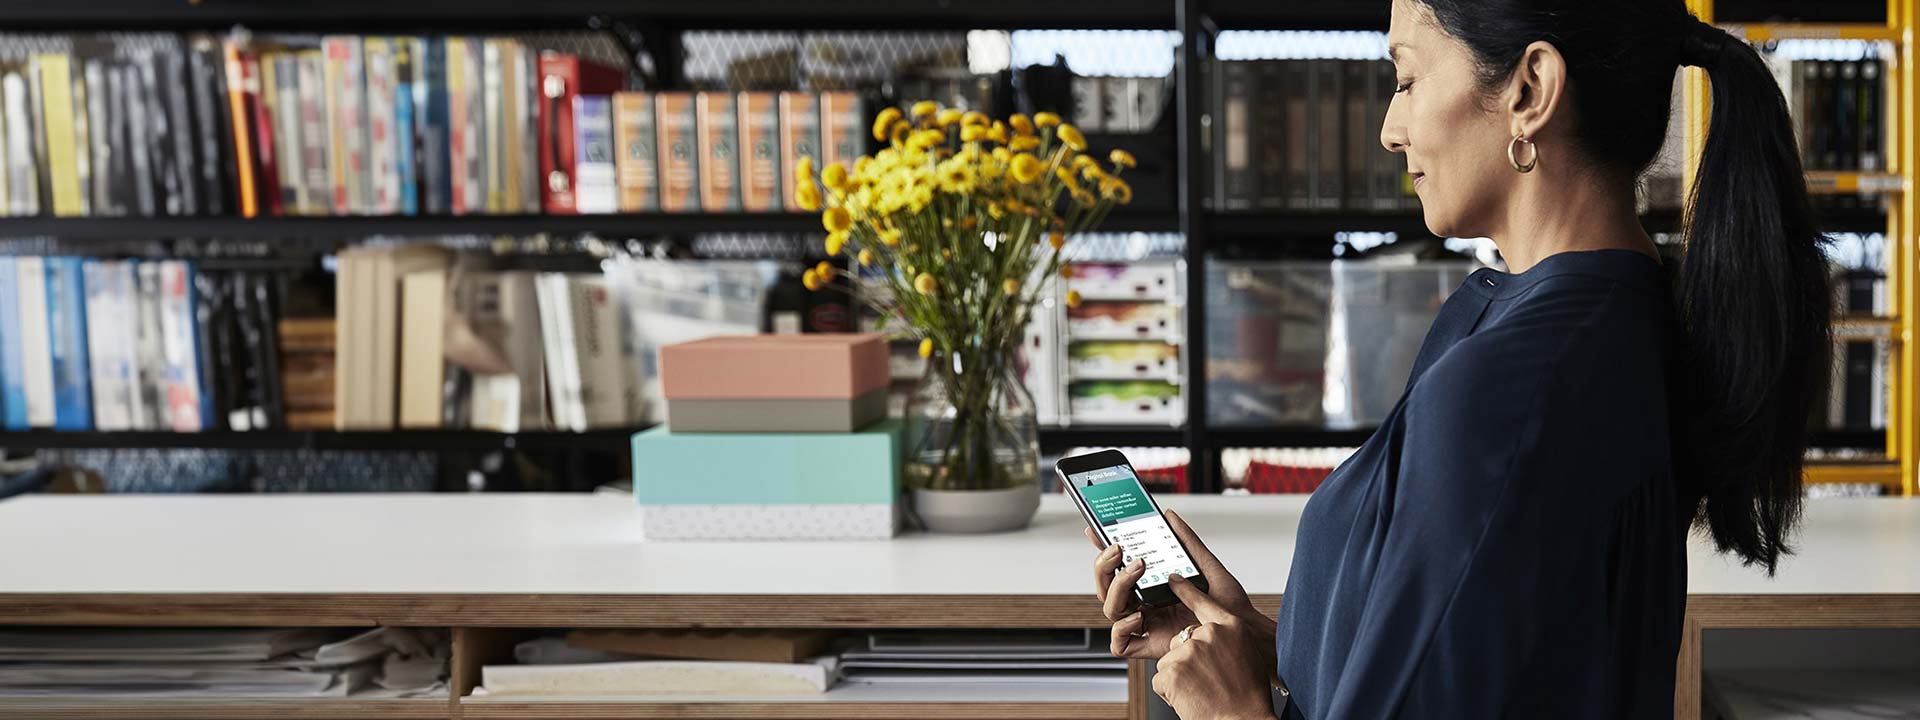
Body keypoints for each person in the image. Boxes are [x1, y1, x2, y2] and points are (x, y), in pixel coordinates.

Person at [1087, 0, 1833, 717]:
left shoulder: (1510, 387)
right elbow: (1495, 665)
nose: (1389, 128)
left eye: (1407, 79)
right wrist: (1254, 647)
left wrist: (1232, 714)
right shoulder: (1603, 320)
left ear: (1530, 90)